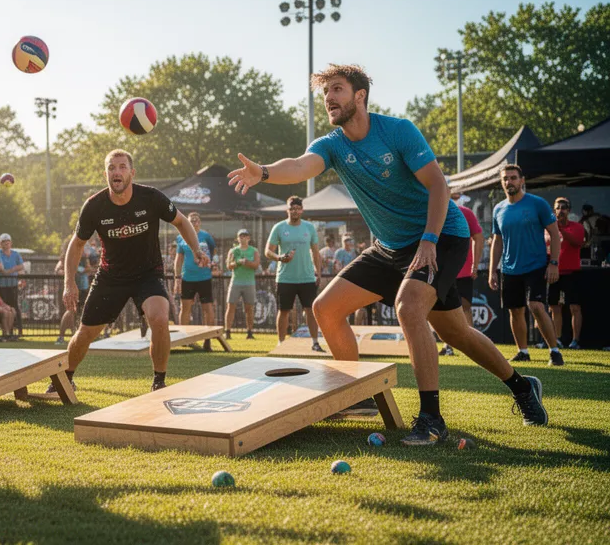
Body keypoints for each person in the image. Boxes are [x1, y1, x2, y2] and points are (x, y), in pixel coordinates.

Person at [228, 63, 548, 446]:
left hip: (441, 237)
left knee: (410, 308)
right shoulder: (331, 144)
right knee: (335, 310)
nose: (329, 98)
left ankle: (432, 420)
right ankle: (517, 385)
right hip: (389, 247)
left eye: (337, 90)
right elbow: (298, 166)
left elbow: (438, 186)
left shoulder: (397, 131)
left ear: (359, 95)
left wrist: (429, 240)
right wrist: (262, 172)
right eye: (325, 93)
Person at [60, 149, 208, 394]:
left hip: (147, 274)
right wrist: (69, 282)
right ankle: (64, 378)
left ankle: (159, 382)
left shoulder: (151, 197)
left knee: (160, 317)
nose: (116, 172)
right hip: (110, 277)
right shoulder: (94, 206)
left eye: (121, 167)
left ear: (131, 172)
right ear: (105, 173)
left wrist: (195, 249)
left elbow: (182, 221)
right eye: (111, 168)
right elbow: (76, 244)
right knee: (85, 332)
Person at [488, 165, 563, 366]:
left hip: (536, 265)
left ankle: (555, 351)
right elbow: (497, 240)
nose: (509, 182)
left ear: (522, 181)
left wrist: (553, 263)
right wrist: (492, 270)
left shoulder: (537, 204)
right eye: (505, 178)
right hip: (509, 268)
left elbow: (555, 234)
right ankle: (523, 351)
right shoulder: (499, 209)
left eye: (513, 178)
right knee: (515, 310)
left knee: (536, 306)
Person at [266, 196, 324, 352]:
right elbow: (267, 251)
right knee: (284, 311)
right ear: (287, 210)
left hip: (306, 277)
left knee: (311, 311)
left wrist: (318, 273)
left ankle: (315, 342)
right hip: (285, 278)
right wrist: (279, 258)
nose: (295, 211)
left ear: (302, 210)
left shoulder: (309, 228)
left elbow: (316, 252)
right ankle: (281, 343)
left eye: (298, 208)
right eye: (292, 208)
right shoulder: (279, 227)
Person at [439, 190, 484, 356]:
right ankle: (448, 346)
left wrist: (475, 265)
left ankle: (471, 346)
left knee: (465, 307)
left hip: (463, 271)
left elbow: (479, 237)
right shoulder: (432, 213)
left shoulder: (466, 213)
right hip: (442, 271)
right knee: (443, 309)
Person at [173, 212, 216, 351]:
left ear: (200, 222)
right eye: (191, 220)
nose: (194, 223)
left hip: (204, 277)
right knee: (185, 308)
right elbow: (178, 259)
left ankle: (207, 340)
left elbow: (212, 253)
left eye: (196, 220)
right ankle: (184, 339)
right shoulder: (181, 238)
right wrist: (177, 278)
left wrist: (210, 265)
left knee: (207, 308)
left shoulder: (206, 236)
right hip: (187, 278)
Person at [546, 197, 585, 349]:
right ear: (554, 210)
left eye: (564, 207)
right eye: (558, 207)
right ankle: (557, 339)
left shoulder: (577, 226)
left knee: (574, 307)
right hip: (553, 273)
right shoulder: (548, 228)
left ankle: (575, 340)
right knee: (554, 307)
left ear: (569, 210)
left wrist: (559, 229)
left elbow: (577, 241)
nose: (561, 210)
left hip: (572, 272)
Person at [56, 233, 95, 345]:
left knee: (80, 311)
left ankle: (76, 335)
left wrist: (85, 270)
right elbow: (59, 269)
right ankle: (61, 337)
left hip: (83, 287)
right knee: (70, 310)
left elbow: (88, 268)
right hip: (72, 287)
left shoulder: (84, 256)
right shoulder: (66, 257)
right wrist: (74, 273)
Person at [224, 228, 259, 340]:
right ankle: (228, 331)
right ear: (238, 238)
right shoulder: (233, 251)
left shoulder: (254, 251)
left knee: (249, 308)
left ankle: (249, 332)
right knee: (231, 306)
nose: (243, 238)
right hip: (236, 282)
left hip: (249, 283)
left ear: (249, 238)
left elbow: (256, 265)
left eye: (245, 236)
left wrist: (247, 262)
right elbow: (229, 265)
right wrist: (238, 263)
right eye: (241, 236)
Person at [0, 233, 25, 339]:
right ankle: (1, 331)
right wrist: (3, 271)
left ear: (11, 243)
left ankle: (17, 331)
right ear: (0, 244)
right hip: (0, 285)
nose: (6, 244)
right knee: (2, 307)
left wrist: (10, 270)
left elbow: (21, 265)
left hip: (12, 285)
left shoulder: (16, 254)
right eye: (3, 242)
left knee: (14, 307)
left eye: (7, 241)